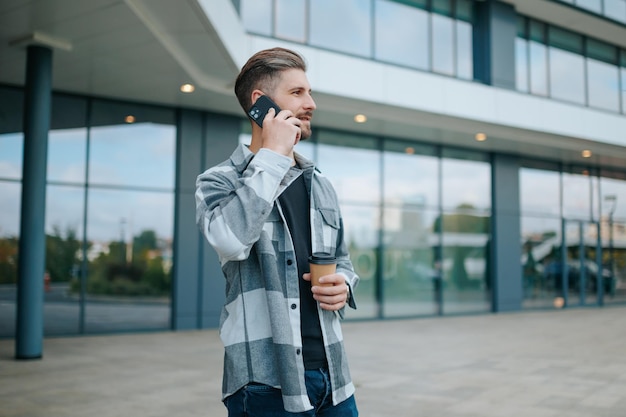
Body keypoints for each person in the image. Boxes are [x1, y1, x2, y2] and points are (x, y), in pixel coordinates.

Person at [195, 47, 359, 416]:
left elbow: (344, 260)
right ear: (261, 103)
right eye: (298, 93)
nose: (311, 103)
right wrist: (272, 155)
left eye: (310, 92)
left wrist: (344, 284)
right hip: (265, 382)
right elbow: (231, 240)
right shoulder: (218, 181)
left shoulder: (320, 184)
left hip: (334, 377)